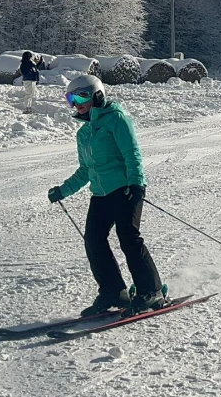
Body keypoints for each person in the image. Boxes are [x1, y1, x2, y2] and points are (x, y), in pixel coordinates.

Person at [47, 75, 166, 317]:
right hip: (100, 194)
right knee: (93, 241)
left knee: (128, 237)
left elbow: (132, 155)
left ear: (97, 95)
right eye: (71, 98)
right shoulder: (83, 134)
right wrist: (63, 190)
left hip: (124, 189)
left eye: (81, 96)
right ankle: (113, 292)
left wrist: (136, 185)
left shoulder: (117, 120)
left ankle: (151, 291)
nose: (76, 103)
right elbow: (85, 171)